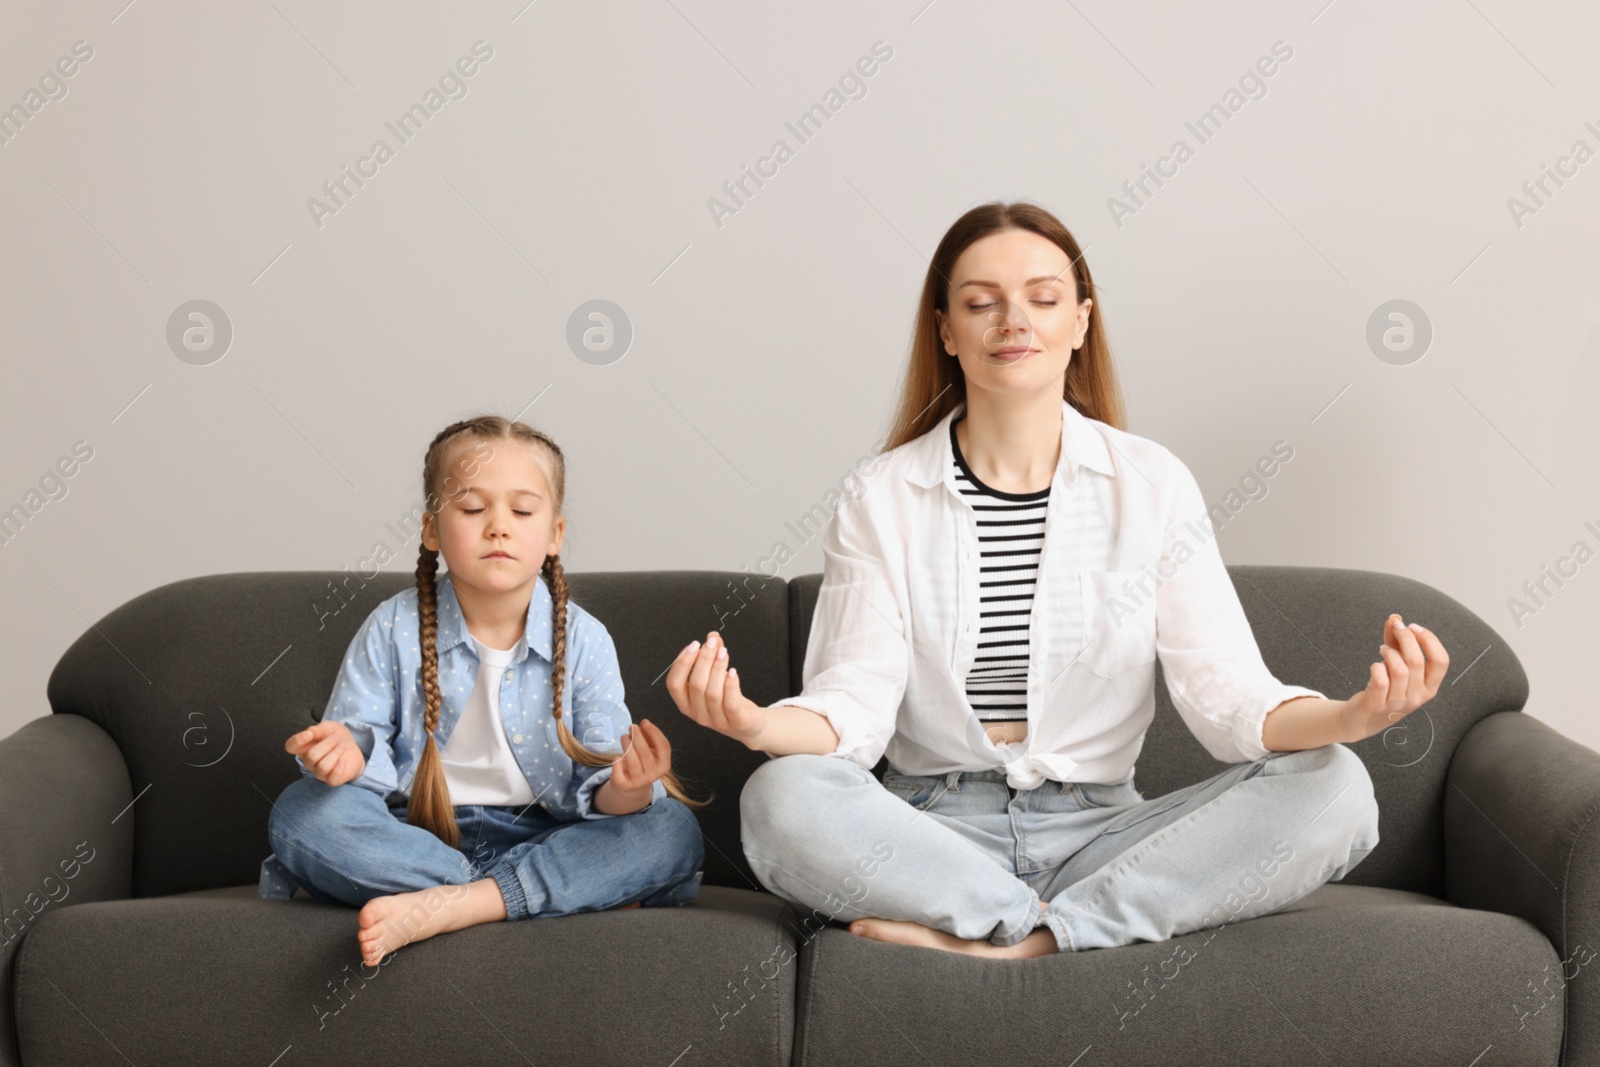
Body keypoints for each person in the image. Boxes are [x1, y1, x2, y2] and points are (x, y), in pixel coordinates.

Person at [665, 201, 1447, 958]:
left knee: (1336, 786)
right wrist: (753, 724)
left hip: (1103, 834)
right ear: (946, 329)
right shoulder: (883, 493)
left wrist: (1352, 715)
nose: (1014, 320)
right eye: (982, 302)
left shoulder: (1151, 483)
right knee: (781, 797)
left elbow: (1230, 696)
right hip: (929, 835)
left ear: (1080, 321)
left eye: (1043, 298)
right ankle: (1057, 924)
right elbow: (854, 704)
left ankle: (1019, 937)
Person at [260, 415, 707, 967]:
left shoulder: (585, 638)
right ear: (431, 530)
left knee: (670, 827)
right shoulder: (391, 625)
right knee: (302, 812)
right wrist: (344, 756)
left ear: (553, 536)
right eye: (473, 509)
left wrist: (632, 787)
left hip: (549, 833)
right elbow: (356, 746)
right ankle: (525, 894)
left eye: (522, 511)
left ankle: (456, 905)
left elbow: (604, 791)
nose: (499, 526)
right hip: (416, 838)